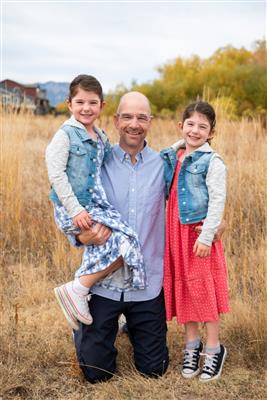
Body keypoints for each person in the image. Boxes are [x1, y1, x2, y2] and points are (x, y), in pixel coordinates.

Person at [69, 91, 169, 383]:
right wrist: (81, 236)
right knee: (96, 373)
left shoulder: (163, 166)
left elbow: (188, 198)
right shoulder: (96, 162)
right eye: (127, 116)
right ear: (115, 120)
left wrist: (217, 223)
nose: (133, 124)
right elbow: (67, 201)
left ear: (150, 121)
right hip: (104, 284)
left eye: (141, 117)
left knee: (154, 369)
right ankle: (87, 329)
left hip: (146, 283)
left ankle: (132, 326)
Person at [45, 75, 146, 331]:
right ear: (69, 104)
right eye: (80, 102)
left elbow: (113, 159)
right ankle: (78, 289)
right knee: (125, 243)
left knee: (121, 244)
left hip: (95, 205)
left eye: (92, 102)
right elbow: (56, 175)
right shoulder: (65, 136)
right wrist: (75, 210)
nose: (86, 108)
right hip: (76, 208)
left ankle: (102, 302)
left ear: (102, 105)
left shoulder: (100, 136)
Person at [161, 101, 229, 382]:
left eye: (203, 126)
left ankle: (213, 349)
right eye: (190, 124)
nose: (195, 130)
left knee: (203, 289)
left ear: (211, 132)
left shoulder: (212, 162)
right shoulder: (173, 156)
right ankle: (192, 345)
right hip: (175, 235)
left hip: (197, 236)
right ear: (181, 126)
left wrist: (207, 234)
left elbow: (218, 201)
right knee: (185, 290)